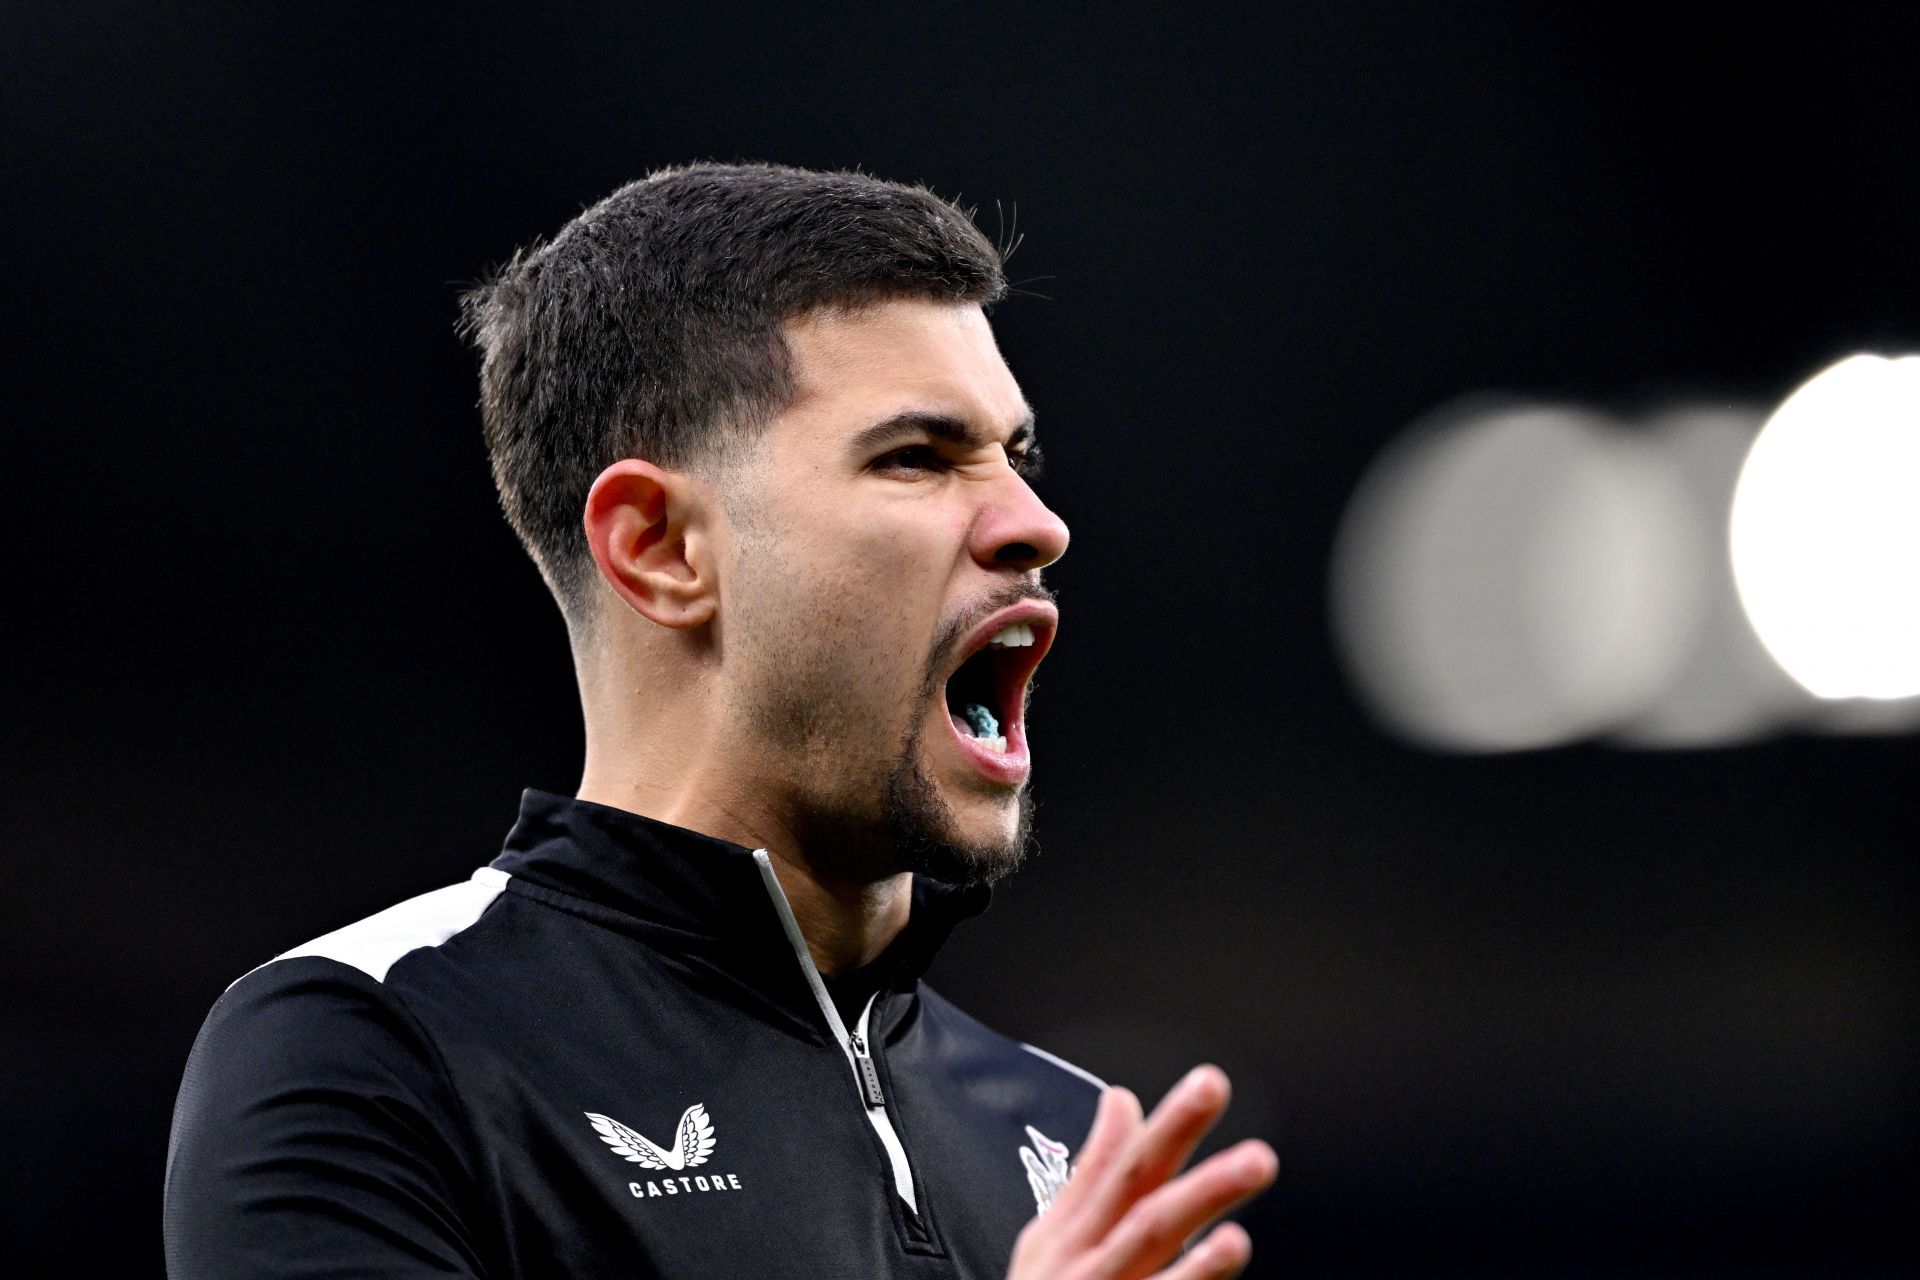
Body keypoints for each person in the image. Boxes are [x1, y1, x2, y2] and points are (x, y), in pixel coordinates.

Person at [164, 162, 1277, 1278]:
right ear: (659, 545)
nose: (1038, 523)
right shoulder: (371, 1043)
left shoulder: (1083, 1145)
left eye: (1015, 456)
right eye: (917, 457)